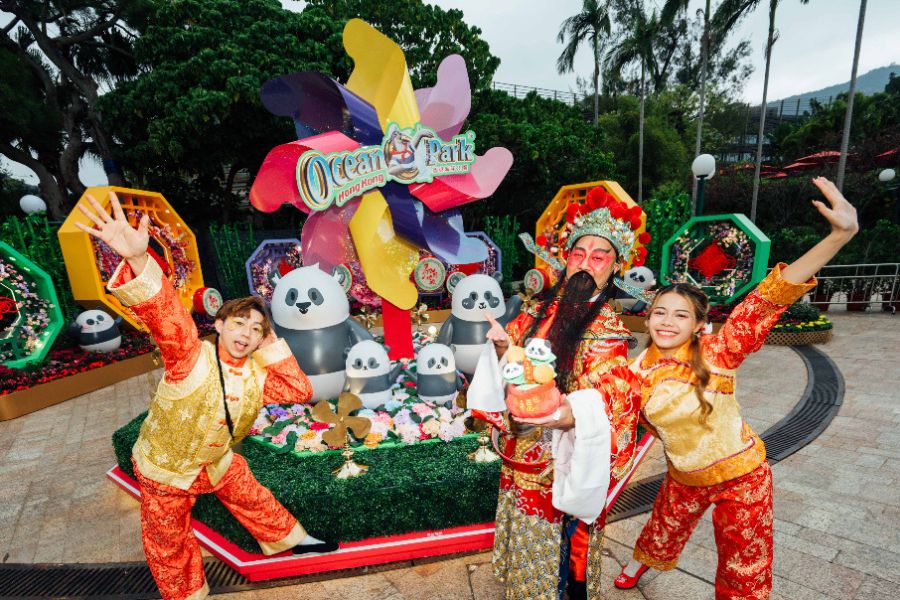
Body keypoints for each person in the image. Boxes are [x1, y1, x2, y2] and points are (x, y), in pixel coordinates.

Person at [76, 192, 336, 600]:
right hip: (166, 469)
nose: (246, 334)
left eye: (256, 329)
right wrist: (139, 260)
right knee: (168, 541)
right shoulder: (190, 354)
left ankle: (290, 540)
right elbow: (166, 312)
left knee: (248, 490)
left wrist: (271, 345)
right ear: (219, 324)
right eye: (239, 324)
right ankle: (188, 595)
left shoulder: (254, 376)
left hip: (214, 461)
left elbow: (297, 390)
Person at [613, 177, 858, 599]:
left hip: (742, 475)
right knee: (663, 528)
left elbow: (769, 298)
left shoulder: (718, 351)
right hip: (684, 475)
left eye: (680, 315)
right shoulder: (631, 373)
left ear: (699, 325)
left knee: (745, 563)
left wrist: (839, 236)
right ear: (647, 318)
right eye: (660, 312)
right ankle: (640, 562)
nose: (667, 322)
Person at [480, 189, 648, 600]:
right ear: (565, 258)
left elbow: (607, 400)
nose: (586, 264)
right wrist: (501, 350)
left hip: (562, 462)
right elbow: (512, 364)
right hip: (521, 450)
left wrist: (558, 413)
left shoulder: (608, 333)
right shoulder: (535, 311)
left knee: (562, 555)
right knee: (525, 539)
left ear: (616, 267)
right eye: (579, 253)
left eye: (599, 257)